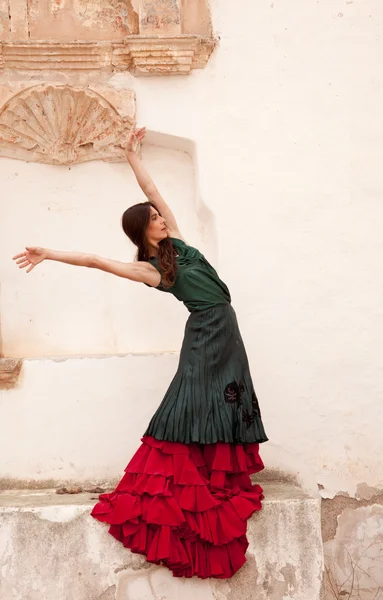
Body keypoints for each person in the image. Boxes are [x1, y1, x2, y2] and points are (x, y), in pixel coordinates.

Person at [13, 126, 268, 579]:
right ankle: (171, 483)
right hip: (204, 332)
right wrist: (48, 253)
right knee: (190, 400)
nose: (161, 217)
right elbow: (95, 260)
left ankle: (217, 474)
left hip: (226, 329)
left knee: (225, 397)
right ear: (143, 230)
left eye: (159, 214)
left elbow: (153, 188)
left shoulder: (181, 246)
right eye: (154, 217)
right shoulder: (151, 269)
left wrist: (133, 156)